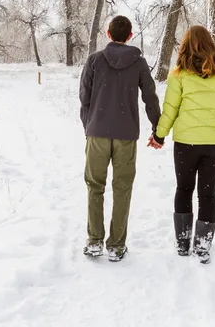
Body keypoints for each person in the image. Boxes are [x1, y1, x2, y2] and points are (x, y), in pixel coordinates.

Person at [148, 25, 215, 264]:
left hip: (186, 142)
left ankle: (183, 243)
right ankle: (202, 246)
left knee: (184, 189)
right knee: (207, 194)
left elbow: (170, 109)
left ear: (185, 46)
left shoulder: (179, 74)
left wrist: (159, 136)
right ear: (210, 43)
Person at [80, 15, 160, 261]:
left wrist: (90, 126)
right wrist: (158, 129)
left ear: (107, 33)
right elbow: (150, 98)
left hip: (98, 134)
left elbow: (85, 97)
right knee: (122, 188)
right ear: (129, 35)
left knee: (95, 187)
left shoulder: (94, 61)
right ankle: (116, 245)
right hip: (126, 135)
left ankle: (94, 241)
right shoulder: (138, 63)